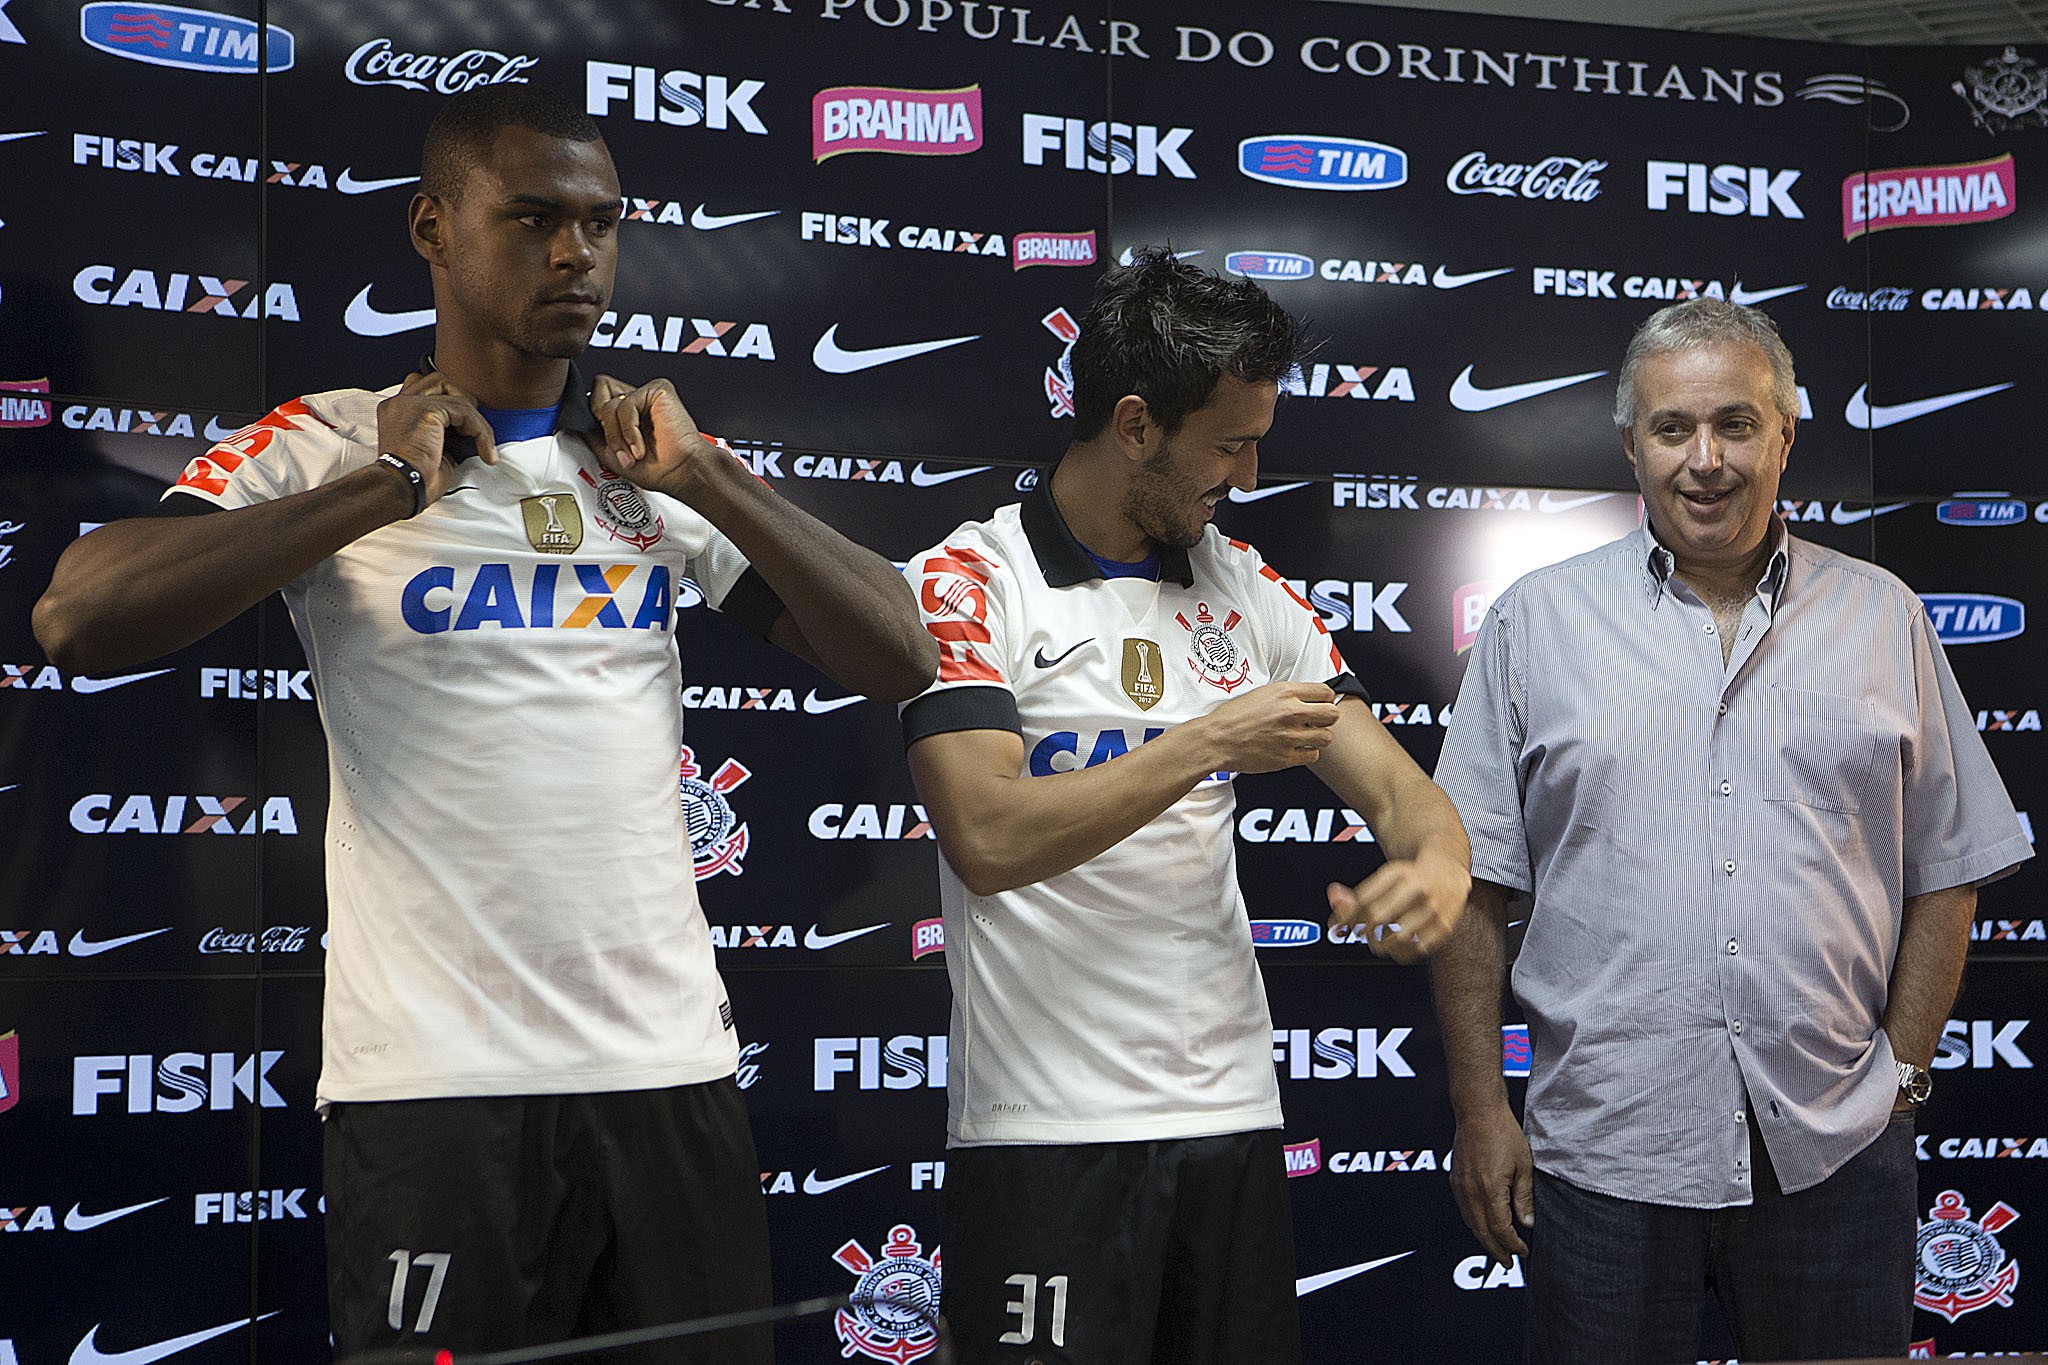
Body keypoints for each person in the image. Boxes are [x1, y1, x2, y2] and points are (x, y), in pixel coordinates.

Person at [33, 85, 935, 1360]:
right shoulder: (329, 442)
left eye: (600, 223)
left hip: (664, 1073)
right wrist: (383, 486)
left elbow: (902, 655)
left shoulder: (647, 461)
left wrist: (709, 481)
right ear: (431, 228)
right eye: (532, 218)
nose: (576, 254)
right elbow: (79, 616)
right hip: (436, 1087)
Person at [1429, 298, 2032, 1364]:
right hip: (1605, 1157)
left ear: (1785, 434)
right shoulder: (1534, 622)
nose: (1703, 460)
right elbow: (1469, 886)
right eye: (1672, 428)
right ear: (1631, 443)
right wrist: (1482, 1110)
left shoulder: (1882, 615)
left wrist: (1899, 1081)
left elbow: (1947, 869)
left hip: (1836, 1156)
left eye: (1735, 425)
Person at [900, 248, 1473, 1365]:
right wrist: (1206, 741)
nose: (1248, 474)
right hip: (1044, 1134)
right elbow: (986, 836)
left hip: (1229, 1122)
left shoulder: (1242, 585)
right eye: (1227, 444)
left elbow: (1403, 791)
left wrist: (1436, 866)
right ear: (1133, 424)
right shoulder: (970, 582)